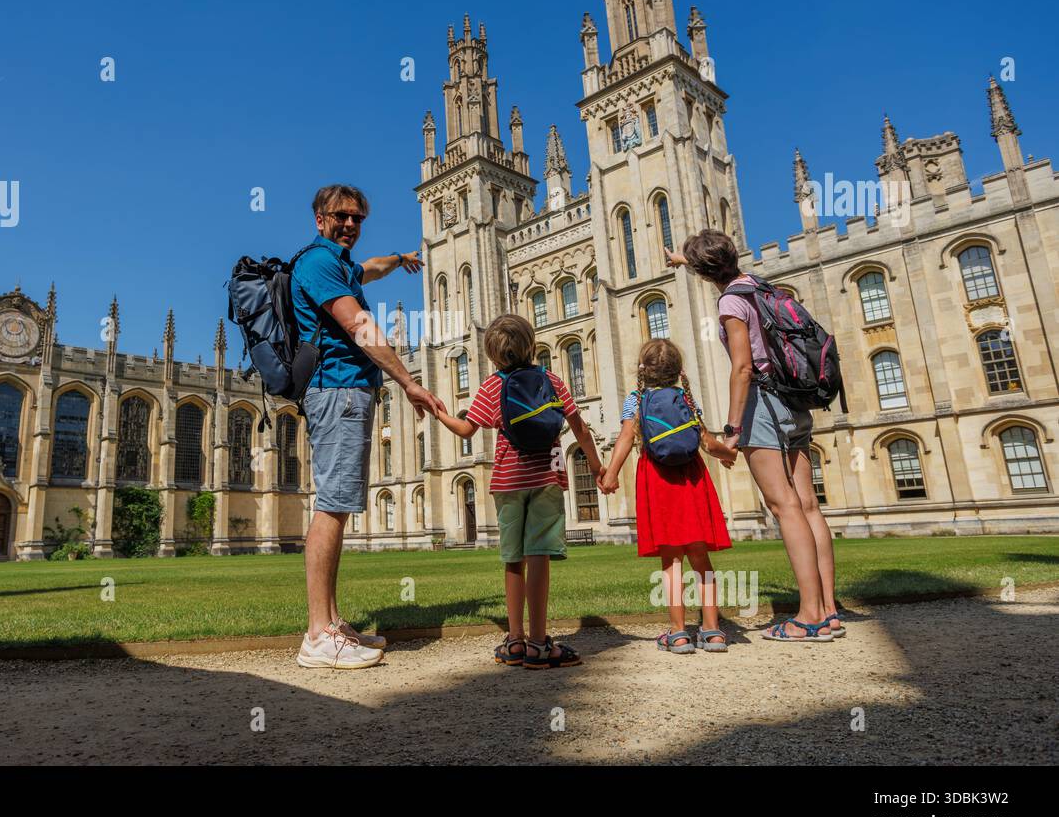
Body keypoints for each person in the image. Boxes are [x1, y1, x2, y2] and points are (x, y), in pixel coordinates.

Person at [291, 184, 446, 668]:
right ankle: (317, 634)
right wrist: (408, 382)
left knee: (337, 504)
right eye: (341, 216)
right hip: (337, 389)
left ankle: (332, 622)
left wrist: (399, 259)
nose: (350, 224)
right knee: (333, 506)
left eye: (358, 217)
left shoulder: (340, 264)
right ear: (320, 219)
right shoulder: (318, 264)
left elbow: (369, 269)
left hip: (348, 392)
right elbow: (359, 326)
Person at [667, 229, 842, 642]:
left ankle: (808, 616)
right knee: (808, 505)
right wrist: (683, 260)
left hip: (763, 404)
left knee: (784, 507)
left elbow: (743, 367)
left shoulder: (730, 301)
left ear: (705, 271)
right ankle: (830, 611)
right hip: (795, 401)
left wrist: (731, 428)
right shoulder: (759, 286)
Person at [434, 314, 602, 669]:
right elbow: (580, 428)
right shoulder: (552, 380)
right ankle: (540, 644)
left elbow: (466, 430)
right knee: (539, 555)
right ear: (531, 344)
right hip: (547, 477)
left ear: (494, 356)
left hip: (508, 482)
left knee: (513, 559)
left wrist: (440, 413)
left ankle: (514, 641)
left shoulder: (491, 386)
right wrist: (598, 467)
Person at [599, 339, 738, 653]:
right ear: (678, 371)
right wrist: (727, 454)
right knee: (701, 558)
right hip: (692, 477)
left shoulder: (635, 399)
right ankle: (713, 631)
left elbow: (624, 438)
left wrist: (610, 473)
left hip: (657, 478)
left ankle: (678, 632)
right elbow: (706, 440)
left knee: (671, 560)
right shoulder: (685, 399)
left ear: (642, 370)